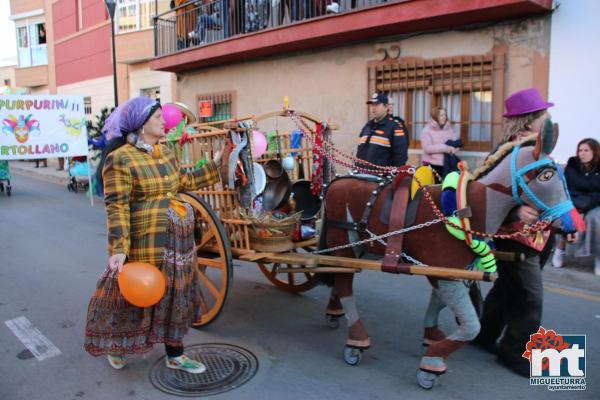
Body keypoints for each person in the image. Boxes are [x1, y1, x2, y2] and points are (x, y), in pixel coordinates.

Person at [84, 97, 227, 373]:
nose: (165, 121)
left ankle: (176, 354)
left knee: (176, 297)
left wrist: (216, 164)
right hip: (146, 242)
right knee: (138, 298)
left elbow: (183, 183)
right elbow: (117, 206)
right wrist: (118, 248)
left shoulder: (166, 152)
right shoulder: (120, 158)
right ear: (140, 123)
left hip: (180, 244)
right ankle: (119, 346)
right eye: (159, 117)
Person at [474, 87, 556, 377]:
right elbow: (483, 194)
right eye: (543, 114)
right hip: (516, 238)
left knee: (507, 289)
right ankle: (514, 353)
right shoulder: (507, 151)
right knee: (530, 297)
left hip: (538, 236)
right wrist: (514, 212)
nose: (548, 118)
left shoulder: (535, 148)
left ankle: (484, 335)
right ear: (529, 120)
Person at [552, 138, 600, 274]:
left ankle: (598, 255)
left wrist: (584, 207)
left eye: (586, 150)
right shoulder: (573, 165)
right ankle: (560, 249)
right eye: (580, 150)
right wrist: (576, 208)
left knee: (595, 219)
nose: (582, 153)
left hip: (594, 203)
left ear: (595, 151)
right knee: (568, 218)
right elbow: (566, 188)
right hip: (573, 201)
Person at [356, 93, 409, 168]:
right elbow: (360, 152)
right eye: (372, 105)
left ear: (386, 107)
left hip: (381, 177)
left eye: (376, 104)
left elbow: (400, 157)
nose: (373, 108)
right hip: (361, 175)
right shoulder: (367, 126)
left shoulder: (395, 127)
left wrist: (392, 175)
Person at [420, 106, 460, 180]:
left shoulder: (449, 129)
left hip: (448, 165)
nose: (444, 117)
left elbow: (456, 143)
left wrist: (454, 149)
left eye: (445, 115)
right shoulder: (427, 130)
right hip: (432, 165)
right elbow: (427, 148)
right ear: (435, 116)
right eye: (441, 115)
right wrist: (445, 148)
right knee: (434, 189)